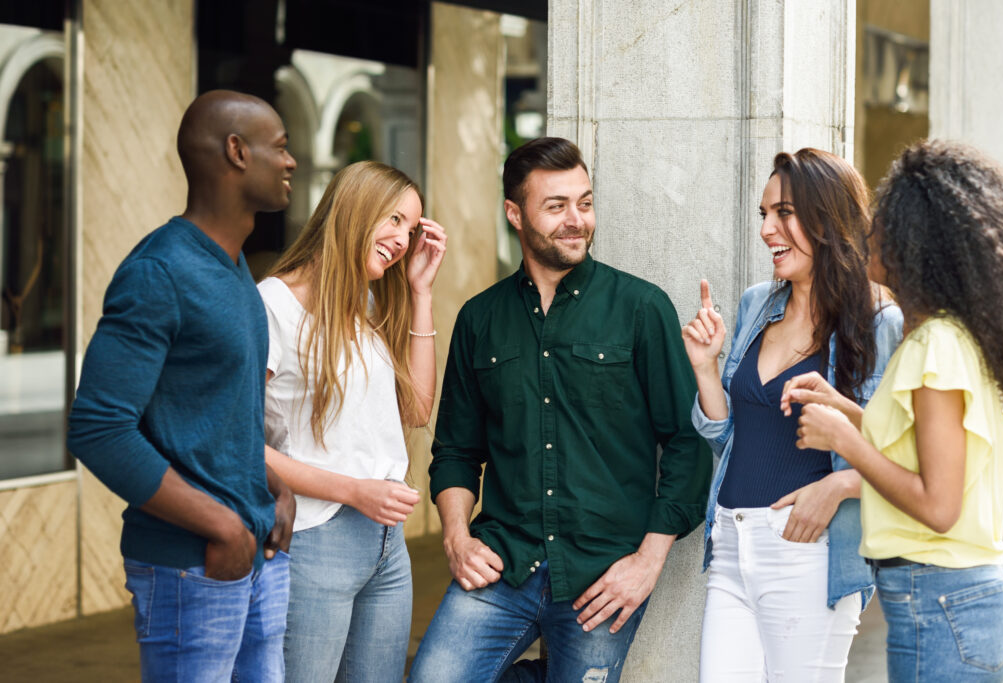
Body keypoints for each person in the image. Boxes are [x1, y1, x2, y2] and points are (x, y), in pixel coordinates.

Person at [408, 136, 712, 683]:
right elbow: (455, 450)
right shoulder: (481, 319)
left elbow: (687, 442)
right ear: (514, 214)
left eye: (585, 202)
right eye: (556, 206)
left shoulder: (641, 308)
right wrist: (456, 538)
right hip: (504, 561)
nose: (577, 220)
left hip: (603, 575)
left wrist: (648, 562)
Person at [66, 90, 297, 682]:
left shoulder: (234, 266)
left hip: (254, 553)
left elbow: (218, 409)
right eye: (281, 147)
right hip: (191, 565)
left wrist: (275, 485)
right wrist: (219, 525)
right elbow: (97, 428)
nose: (291, 162)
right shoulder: (159, 271)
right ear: (237, 152)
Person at [789, 140, 1003, 682]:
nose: (870, 232)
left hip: (941, 599)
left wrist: (843, 443)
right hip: (953, 599)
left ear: (918, 243)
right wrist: (843, 410)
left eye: (885, 222)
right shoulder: (952, 338)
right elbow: (918, 447)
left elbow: (938, 504)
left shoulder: (935, 349)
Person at [684, 148, 904, 681]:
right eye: (764, 214)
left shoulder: (880, 320)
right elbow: (730, 437)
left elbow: (903, 451)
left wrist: (839, 487)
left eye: (783, 212)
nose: (767, 229)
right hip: (731, 544)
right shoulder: (758, 303)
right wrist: (707, 370)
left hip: (809, 550)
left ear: (828, 218)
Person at [258, 160, 446, 682]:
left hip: (386, 546)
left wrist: (421, 293)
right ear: (354, 209)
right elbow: (240, 444)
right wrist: (354, 491)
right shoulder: (272, 305)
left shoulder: (362, 307)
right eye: (393, 220)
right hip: (316, 538)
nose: (403, 239)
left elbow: (417, 409)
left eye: (411, 229)